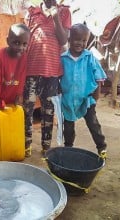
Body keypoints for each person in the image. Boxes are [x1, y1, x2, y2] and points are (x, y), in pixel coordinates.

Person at [24, 0, 72, 157]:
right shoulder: (32, 12)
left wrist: (55, 16)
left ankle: (46, 147)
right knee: (27, 109)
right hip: (30, 69)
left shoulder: (64, 12)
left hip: (51, 71)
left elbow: (64, 40)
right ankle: (26, 144)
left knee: (48, 111)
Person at [60, 23, 107, 158]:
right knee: (68, 126)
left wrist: (96, 94)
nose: (80, 43)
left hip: (87, 98)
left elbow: (99, 76)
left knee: (93, 123)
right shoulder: (63, 58)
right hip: (68, 99)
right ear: (69, 39)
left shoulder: (89, 57)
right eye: (76, 39)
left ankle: (101, 146)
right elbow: (58, 77)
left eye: (84, 40)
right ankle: (68, 146)